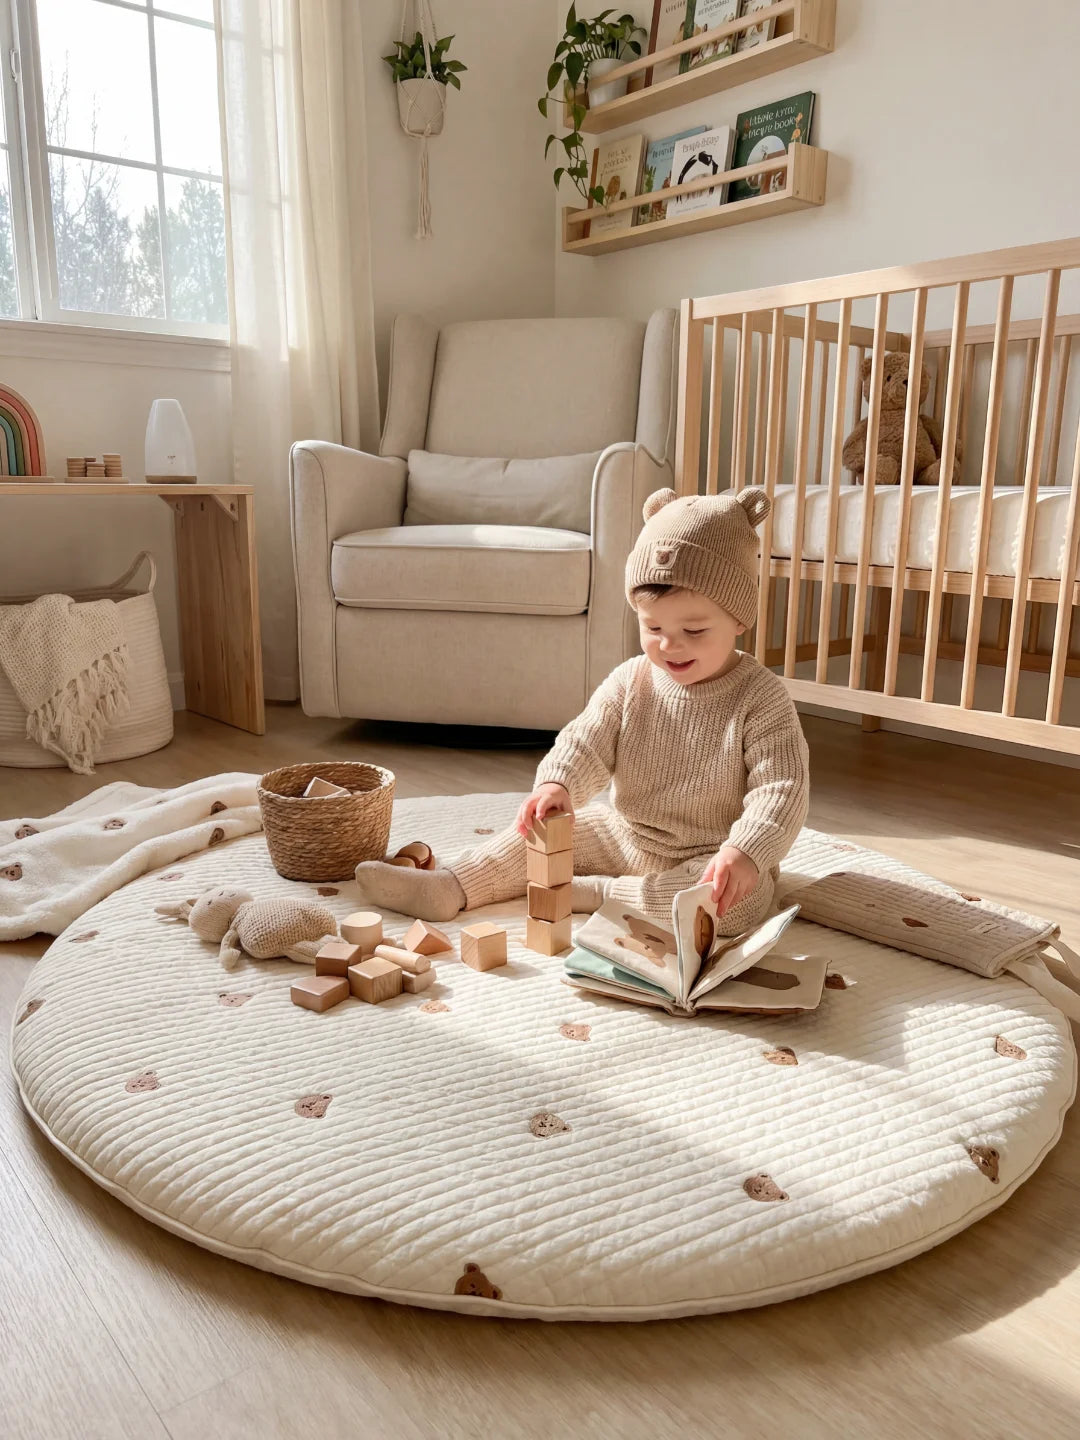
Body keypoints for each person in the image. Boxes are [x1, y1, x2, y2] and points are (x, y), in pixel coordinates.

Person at [356, 486, 810, 933]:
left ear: (739, 619)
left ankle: (595, 894)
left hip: (711, 854)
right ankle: (451, 886)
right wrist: (559, 785)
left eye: (694, 630)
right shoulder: (631, 680)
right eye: (652, 627)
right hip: (625, 836)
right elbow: (586, 740)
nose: (669, 645)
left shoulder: (760, 698)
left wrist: (747, 853)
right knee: (543, 832)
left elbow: (781, 790)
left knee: (731, 905)